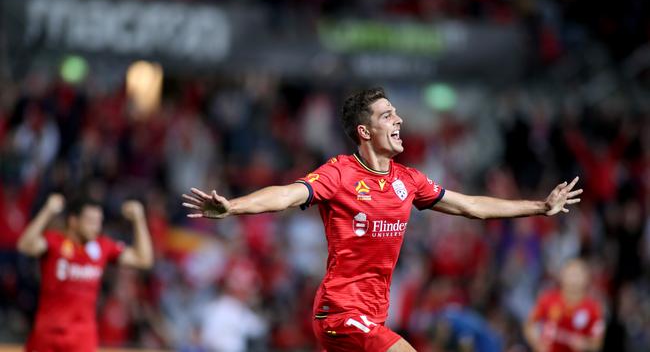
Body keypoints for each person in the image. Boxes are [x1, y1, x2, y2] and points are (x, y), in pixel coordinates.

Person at [183, 87, 582, 352]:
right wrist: (233, 206)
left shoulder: (409, 180)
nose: (399, 121)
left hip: (373, 314)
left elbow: (471, 206)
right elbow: (287, 195)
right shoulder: (339, 173)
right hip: (339, 312)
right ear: (365, 130)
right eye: (388, 115)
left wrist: (538, 206)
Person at [17, 194, 154, 352]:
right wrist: (47, 211)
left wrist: (139, 219)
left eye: (98, 221)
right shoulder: (54, 243)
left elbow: (143, 259)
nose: (96, 227)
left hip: (82, 337)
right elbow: (25, 245)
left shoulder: (103, 247)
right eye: (90, 221)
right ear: (74, 221)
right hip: (47, 335)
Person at [524, 259, 605, 352]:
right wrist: (537, 342)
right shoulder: (547, 299)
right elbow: (529, 324)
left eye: (578, 274)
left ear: (586, 278)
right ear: (562, 275)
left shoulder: (594, 308)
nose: (574, 279)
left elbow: (597, 343)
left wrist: (585, 344)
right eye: (571, 274)